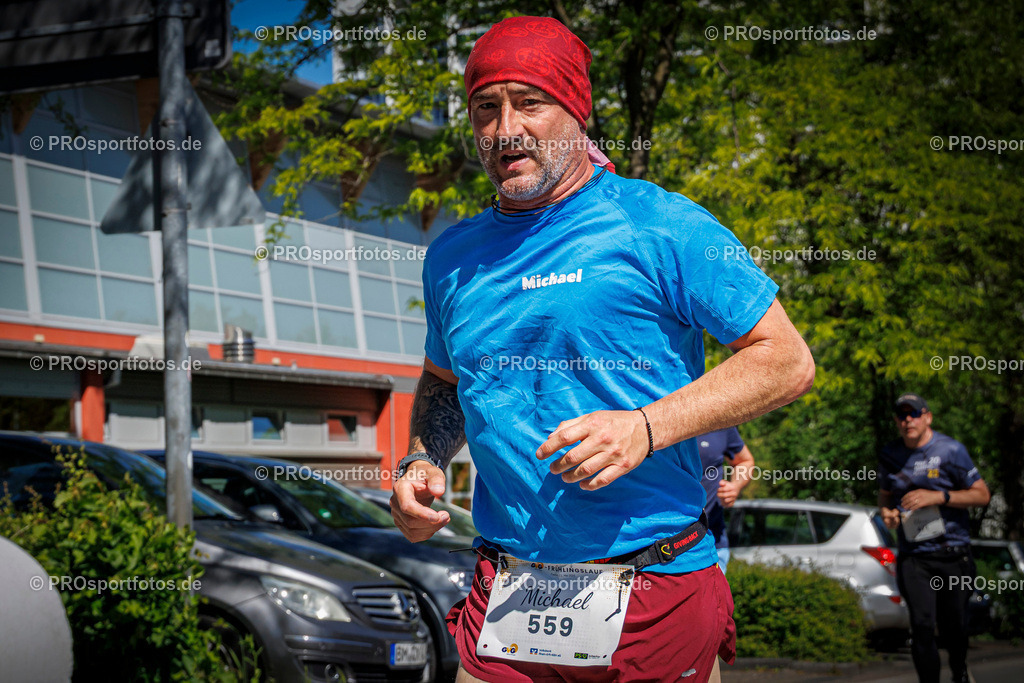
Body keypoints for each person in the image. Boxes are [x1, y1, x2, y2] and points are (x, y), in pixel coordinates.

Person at [390, 15, 815, 683]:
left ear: (577, 113)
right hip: (507, 595)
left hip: (651, 588)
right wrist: (422, 456)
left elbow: (785, 358)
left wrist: (647, 428)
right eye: (485, 108)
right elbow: (443, 380)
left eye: (529, 102)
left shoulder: (659, 224)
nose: (504, 128)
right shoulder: (452, 257)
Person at [878, 394, 990, 683]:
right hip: (915, 557)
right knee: (922, 625)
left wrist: (939, 496)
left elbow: (982, 495)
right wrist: (887, 514)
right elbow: (885, 497)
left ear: (927, 417)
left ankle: (960, 672)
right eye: (902, 416)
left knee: (954, 627)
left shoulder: (951, 450)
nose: (907, 421)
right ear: (896, 421)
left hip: (953, 553)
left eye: (913, 414)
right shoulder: (891, 454)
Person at [697, 428, 755, 571]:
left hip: (711, 546)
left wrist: (735, 486)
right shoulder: (654, 413)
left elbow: (745, 461)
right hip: (658, 547)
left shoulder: (720, 421)